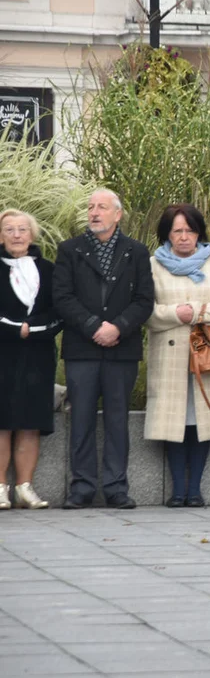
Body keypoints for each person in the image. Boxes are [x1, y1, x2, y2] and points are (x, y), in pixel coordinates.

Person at [54, 189, 154, 510]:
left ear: (117, 214)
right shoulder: (70, 250)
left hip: (121, 350)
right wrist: (94, 326)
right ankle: (81, 488)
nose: (94, 212)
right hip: (82, 348)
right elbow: (62, 297)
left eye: (102, 207)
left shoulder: (136, 252)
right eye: (91, 207)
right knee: (80, 419)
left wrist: (118, 327)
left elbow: (144, 300)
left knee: (117, 420)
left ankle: (115, 487)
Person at [145, 205, 210, 507]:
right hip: (169, 354)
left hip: (208, 353)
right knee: (173, 421)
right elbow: (147, 311)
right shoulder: (152, 265)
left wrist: (195, 312)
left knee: (203, 419)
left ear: (199, 233)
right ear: (167, 234)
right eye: (177, 231)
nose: (184, 237)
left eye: (190, 230)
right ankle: (177, 491)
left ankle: (195, 490)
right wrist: (176, 313)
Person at [0, 210, 63, 510]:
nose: (16, 235)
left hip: (38, 354)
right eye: (9, 229)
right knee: (1, 422)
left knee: (30, 422)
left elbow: (59, 310)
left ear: (32, 234)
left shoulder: (50, 270)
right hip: (2, 352)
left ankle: (25, 487)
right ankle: (0, 488)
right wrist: (14, 329)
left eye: (22, 229)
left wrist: (33, 329)